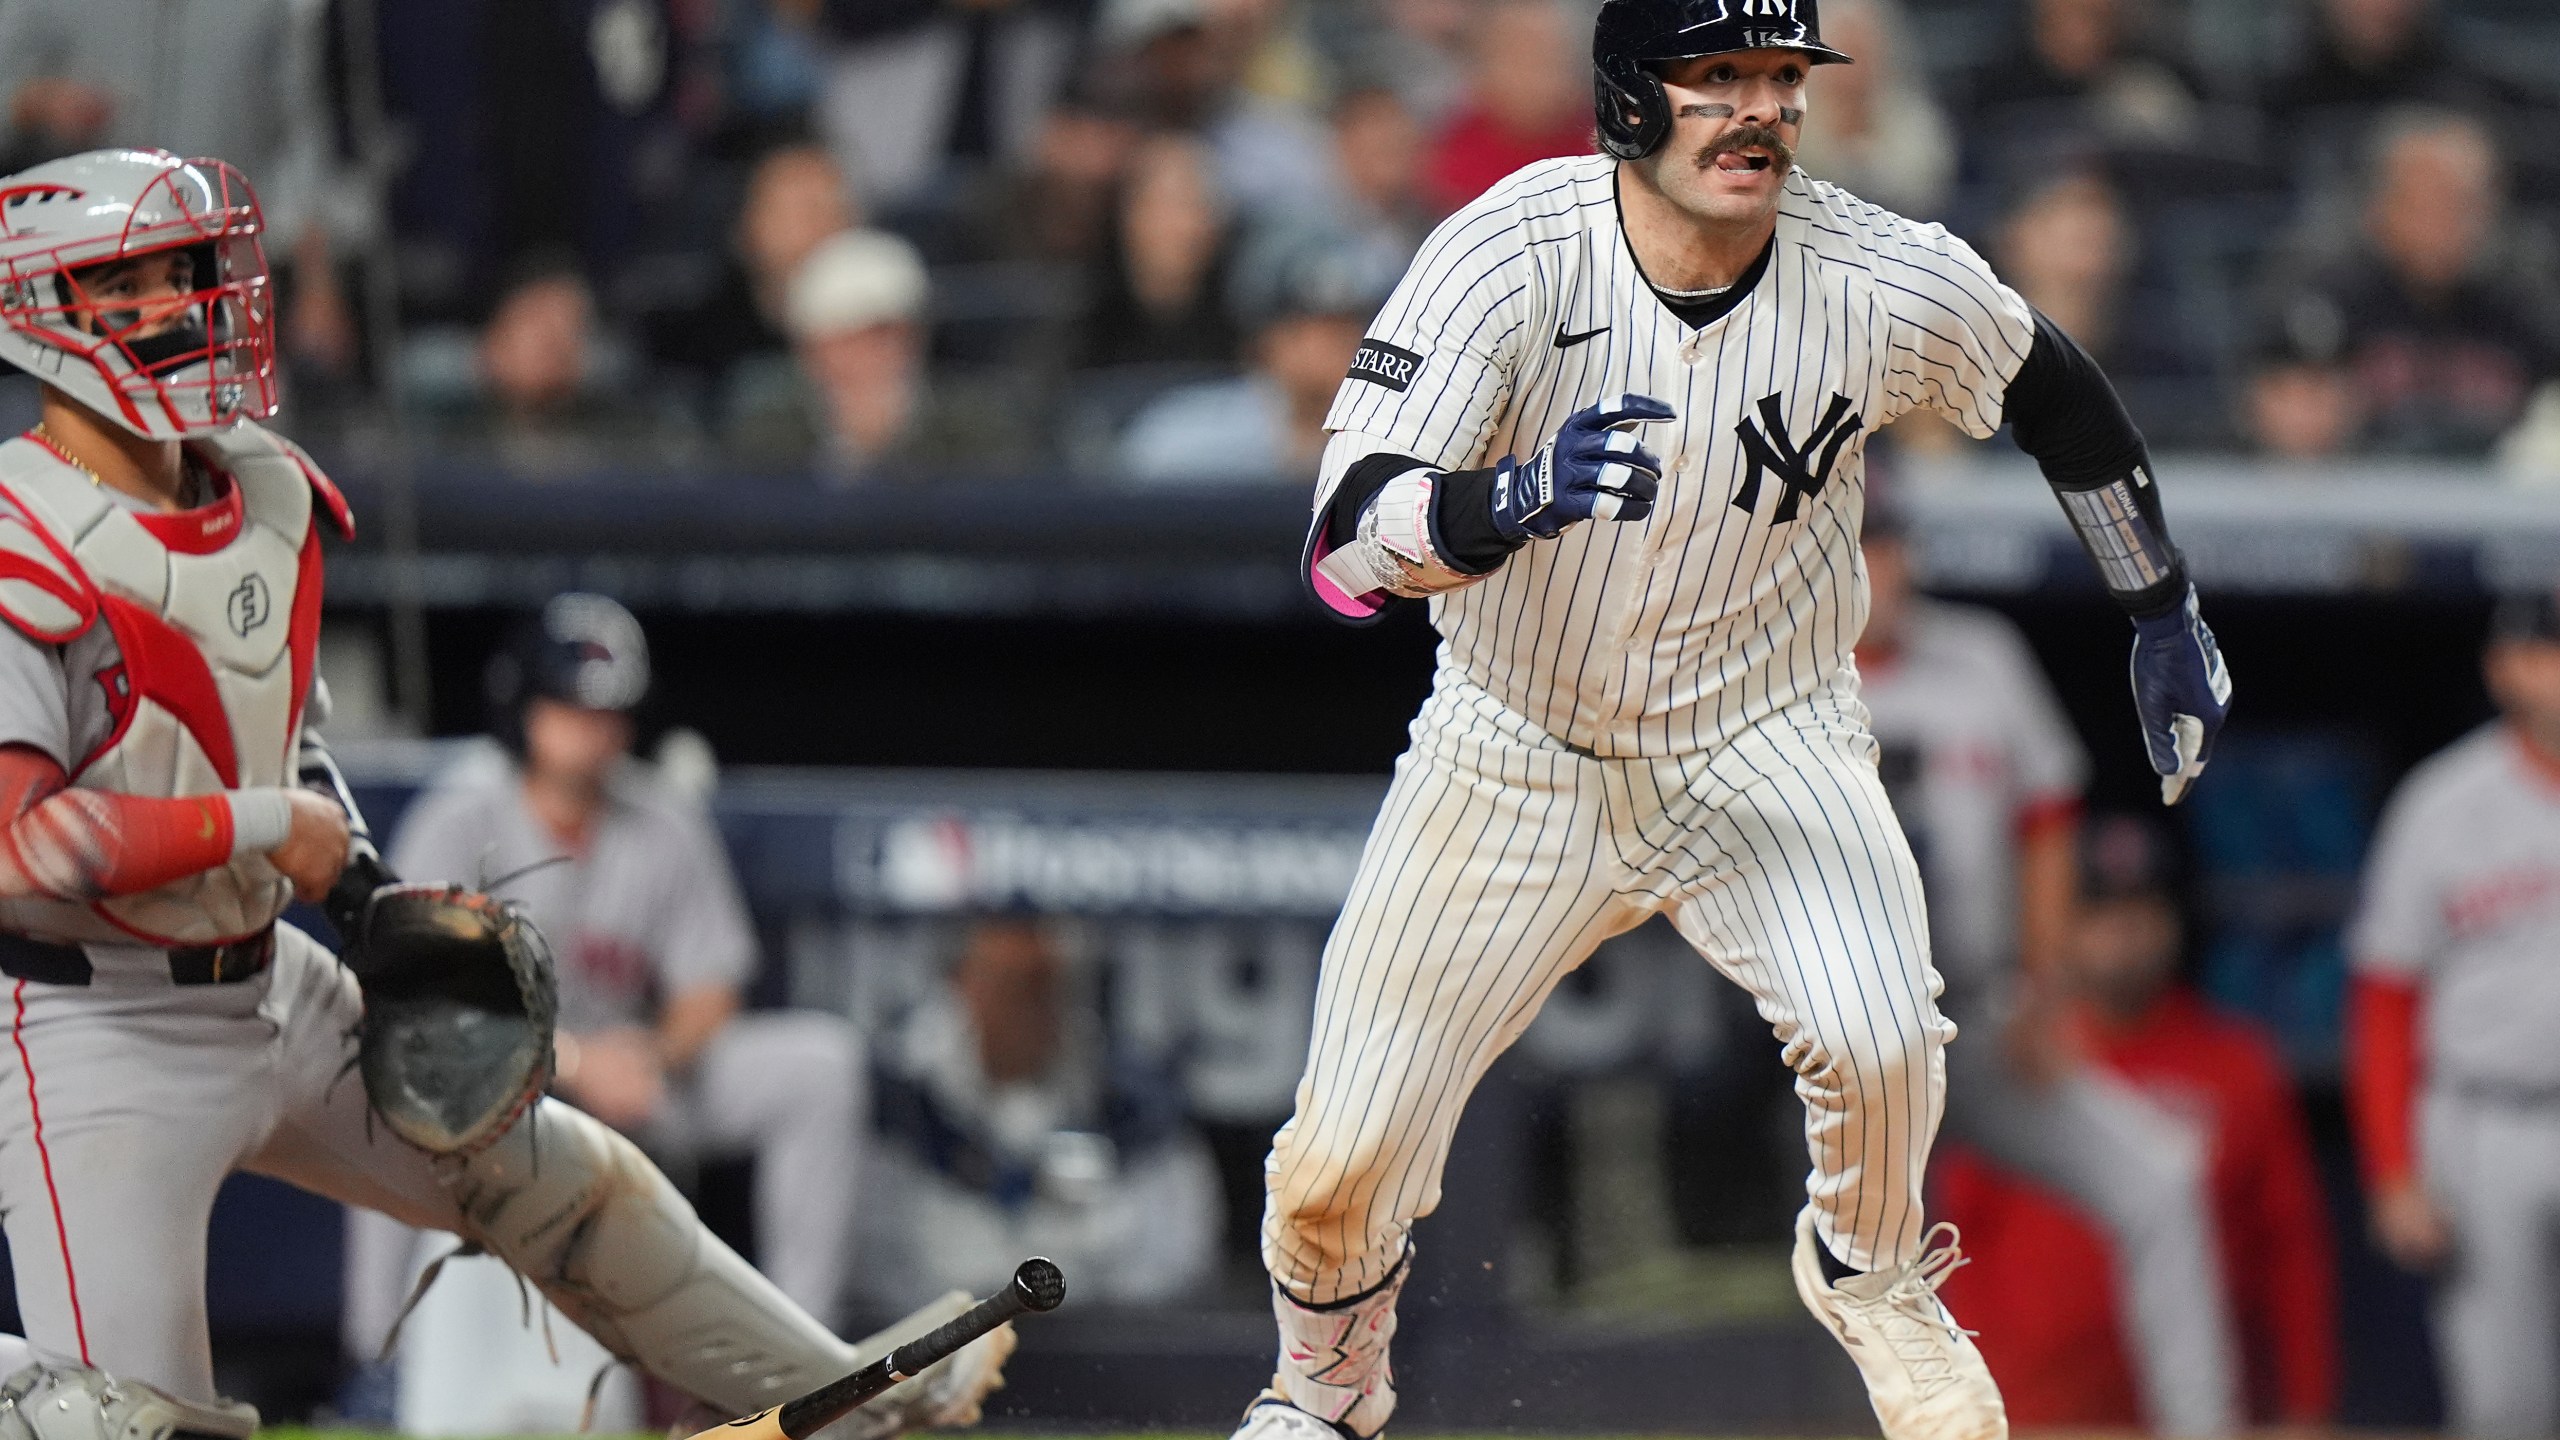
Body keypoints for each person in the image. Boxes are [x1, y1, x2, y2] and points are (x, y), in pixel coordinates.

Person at [1256, 0, 2235, 1437]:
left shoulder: (1873, 272)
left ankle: (1872, 1273)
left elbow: (2058, 394)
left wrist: (2158, 602)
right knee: (1337, 1159)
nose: (1760, 109)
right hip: (1515, 746)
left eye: (1780, 77)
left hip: (1762, 741)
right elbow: (1341, 555)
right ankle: (1324, 1393)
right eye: (1716, 77)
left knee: (1883, 1040)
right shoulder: (1505, 249)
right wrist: (1501, 501)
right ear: (1626, 99)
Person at [0, 147, 1007, 1440]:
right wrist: (276, 831)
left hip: (268, 981)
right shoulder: (22, 535)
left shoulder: (259, 484)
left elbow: (281, 740)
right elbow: (19, 848)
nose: (183, 305)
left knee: (570, 1185)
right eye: (134, 283)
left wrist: (363, 893)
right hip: (90, 1029)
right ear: (44, 310)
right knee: (128, 1425)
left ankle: (863, 1406)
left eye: (189, 271)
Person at [346, 593, 866, 1346]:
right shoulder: (461, 816)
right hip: (496, 1089)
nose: (596, 732)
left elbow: (712, 986)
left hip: (636, 1079)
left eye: (610, 714)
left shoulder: (662, 818)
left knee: (820, 1068)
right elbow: (414, 995)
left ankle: (807, 1353)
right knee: (393, 1085)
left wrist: (653, 1054)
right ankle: (378, 1359)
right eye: (573, 709)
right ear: (525, 709)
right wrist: (577, 1063)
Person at [1858, 505, 2241, 1436]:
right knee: (1855, 1263)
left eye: (1888, 543)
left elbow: (2047, 813)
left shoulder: (1980, 656)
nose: (1878, 567)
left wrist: (2042, 986)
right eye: (1857, 544)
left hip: (1977, 1018)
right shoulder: (1759, 666)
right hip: (1831, 1042)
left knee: (2159, 1182)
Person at [2349, 585, 2560, 1440]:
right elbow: (2385, 999)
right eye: (2545, 651)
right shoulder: (2443, 803)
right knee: (2506, 1407)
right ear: (2503, 668)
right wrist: (2394, 1171)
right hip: (2486, 1122)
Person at [2061, 817, 2337, 1426]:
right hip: (2034, 1413)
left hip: (2201, 1409)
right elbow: (1949, 1249)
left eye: (2144, 908)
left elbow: (2292, 1251)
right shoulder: (2013, 1075)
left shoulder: (2236, 1064)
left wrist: (2307, 1408)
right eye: (2098, 911)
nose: (2124, 930)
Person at [859, 920, 1222, 1310]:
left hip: (1092, 1337)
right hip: (938, 1340)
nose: (1029, 1009)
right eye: (1009, 986)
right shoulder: (898, 1108)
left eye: (1046, 987)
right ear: (959, 984)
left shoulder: (1133, 1110)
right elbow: (867, 1266)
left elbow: (1178, 1259)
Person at [2265, 109, 2560, 459]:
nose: (2449, 224)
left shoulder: (2524, 294)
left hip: (2495, 485)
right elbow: (2282, 399)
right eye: (2431, 201)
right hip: (2356, 484)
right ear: (2380, 205)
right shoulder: (2328, 289)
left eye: (2467, 204)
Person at [1116, 223, 1398, 485]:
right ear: (1268, 340)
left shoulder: (1392, 442)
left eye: (1353, 324)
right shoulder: (1181, 443)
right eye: (1316, 327)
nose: (1342, 344)